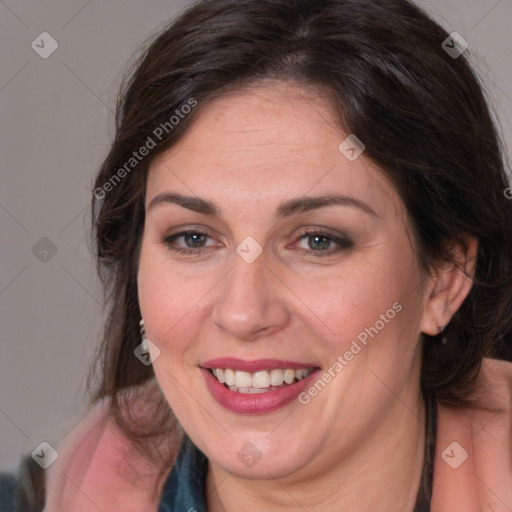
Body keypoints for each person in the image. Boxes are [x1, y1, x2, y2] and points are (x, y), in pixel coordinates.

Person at [44, 0, 512, 510]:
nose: (243, 313)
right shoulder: (85, 472)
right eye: (193, 238)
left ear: (444, 278)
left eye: (318, 240)